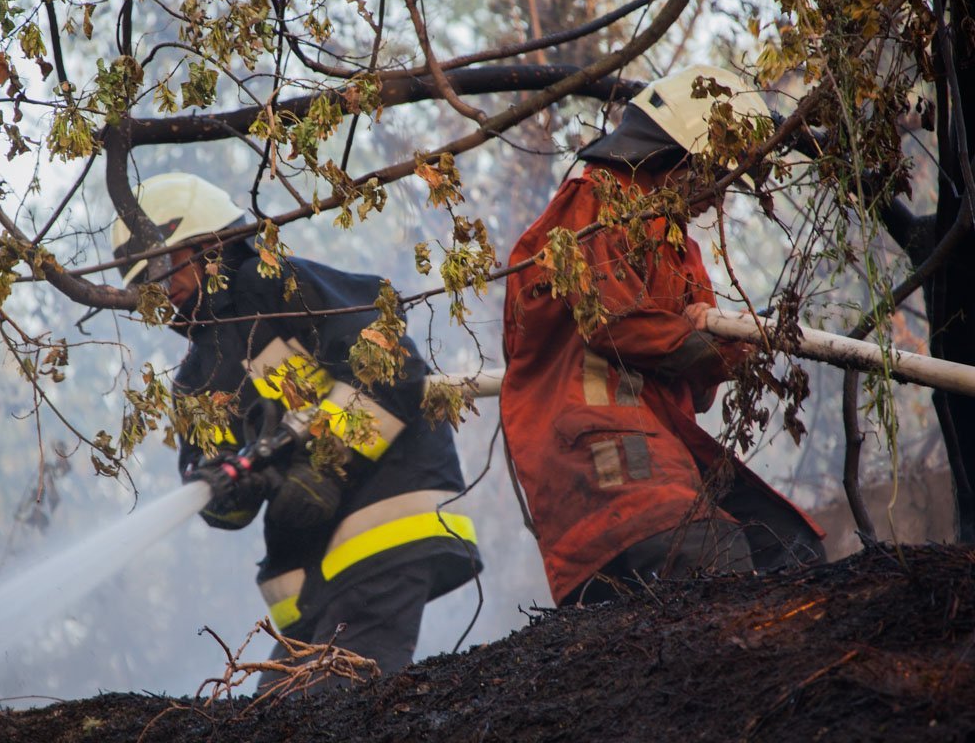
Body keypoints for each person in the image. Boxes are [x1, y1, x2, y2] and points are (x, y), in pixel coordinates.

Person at [111, 172, 481, 685]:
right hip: (315, 585)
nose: (161, 288)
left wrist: (325, 466)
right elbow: (216, 494)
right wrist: (234, 487)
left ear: (208, 243)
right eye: (143, 281)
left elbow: (389, 359)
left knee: (336, 709)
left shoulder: (278, 288)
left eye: (162, 266)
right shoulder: (199, 380)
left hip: (382, 534)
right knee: (274, 717)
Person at [500, 66, 825, 606]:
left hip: (661, 445)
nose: (718, 200)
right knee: (709, 557)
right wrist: (710, 345)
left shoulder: (680, 248)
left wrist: (725, 348)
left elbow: (700, 387)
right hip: (600, 454)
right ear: (680, 151)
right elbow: (613, 324)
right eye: (716, 173)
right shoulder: (596, 199)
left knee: (788, 550)